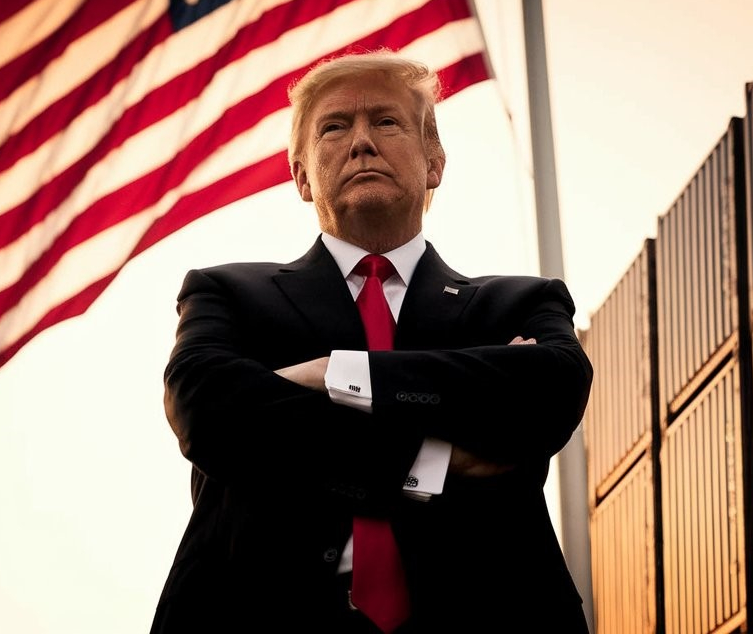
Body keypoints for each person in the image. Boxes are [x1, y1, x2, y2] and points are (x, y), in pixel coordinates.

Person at [150, 51, 592, 633]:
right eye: (334, 127)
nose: (361, 142)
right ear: (302, 176)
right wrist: (433, 463)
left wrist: (335, 374)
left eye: (386, 121)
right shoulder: (227, 295)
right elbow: (206, 408)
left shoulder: (520, 303)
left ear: (434, 162)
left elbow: (551, 387)